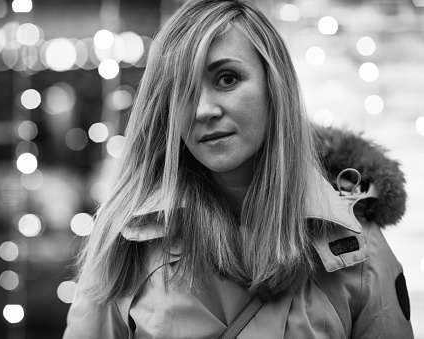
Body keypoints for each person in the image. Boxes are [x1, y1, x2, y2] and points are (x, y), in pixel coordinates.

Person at [63, 0, 414, 338]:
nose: (203, 110)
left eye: (227, 79)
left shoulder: (355, 244)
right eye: (182, 89)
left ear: (273, 87)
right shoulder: (129, 239)